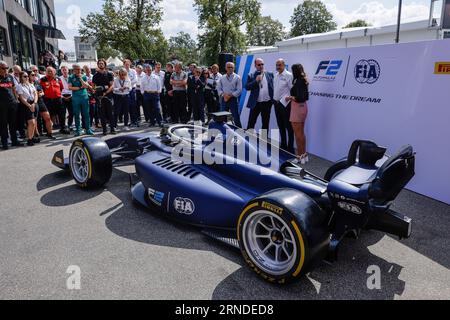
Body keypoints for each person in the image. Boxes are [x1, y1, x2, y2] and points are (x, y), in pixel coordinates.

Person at [287, 64, 309, 164]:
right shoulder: (303, 80)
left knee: (298, 134)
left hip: (297, 108)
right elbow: (305, 97)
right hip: (303, 108)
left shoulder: (299, 81)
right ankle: (304, 155)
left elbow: (300, 98)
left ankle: (299, 157)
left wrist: (290, 97)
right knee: (301, 133)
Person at [245, 58, 274, 131]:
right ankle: (248, 139)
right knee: (251, 122)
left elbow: (273, 87)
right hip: (256, 103)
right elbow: (247, 87)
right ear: (255, 65)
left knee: (265, 123)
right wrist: (256, 81)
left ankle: (263, 141)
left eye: (262, 64)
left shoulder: (270, 74)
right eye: (259, 64)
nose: (261, 66)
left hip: (267, 103)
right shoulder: (251, 75)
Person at [0, 61, 23, 150]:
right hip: (2, 106)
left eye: (7, 68)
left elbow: (13, 88)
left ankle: (14, 140)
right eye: (3, 68)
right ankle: (4, 143)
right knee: (3, 125)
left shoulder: (10, 77)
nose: (5, 70)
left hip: (12, 104)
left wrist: (16, 99)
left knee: (13, 123)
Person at [273, 58, 294, 153]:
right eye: (277, 65)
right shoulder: (276, 75)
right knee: (280, 125)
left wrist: (287, 99)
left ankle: (290, 148)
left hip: (285, 104)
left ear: (284, 65)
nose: (278, 67)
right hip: (276, 103)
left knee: (288, 126)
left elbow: (292, 90)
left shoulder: (289, 75)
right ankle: (283, 145)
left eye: (280, 65)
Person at [40, 67, 69, 134]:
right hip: (48, 100)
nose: (49, 73)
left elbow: (61, 88)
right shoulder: (42, 80)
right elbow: (41, 89)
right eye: (48, 71)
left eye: (51, 71)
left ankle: (63, 128)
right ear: (46, 72)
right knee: (48, 115)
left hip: (58, 99)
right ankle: (47, 130)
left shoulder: (58, 79)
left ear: (54, 72)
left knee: (62, 114)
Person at [68, 64, 94, 136]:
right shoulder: (71, 77)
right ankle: (78, 130)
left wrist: (81, 79)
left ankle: (88, 129)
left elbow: (85, 86)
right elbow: (70, 87)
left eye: (80, 69)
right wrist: (79, 88)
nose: (79, 71)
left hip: (84, 97)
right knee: (77, 114)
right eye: (77, 69)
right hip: (76, 98)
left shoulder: (84, 76)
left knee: (86, 113)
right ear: (74, 70)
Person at [29, 71, 55, 139]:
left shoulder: (37, 82)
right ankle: (36, 135)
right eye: (32, 74)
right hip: (32, 102)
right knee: (35, 120)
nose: (34, 75)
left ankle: (50, 133)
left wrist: (41, 93)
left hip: (40, 101)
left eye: (35, 74)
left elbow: (42, 91)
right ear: (29, 76)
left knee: (47, 117)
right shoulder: (27, 83)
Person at [92, 59, 115, 135]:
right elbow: (93, 87)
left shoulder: (109, 74)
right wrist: (97, 89)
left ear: (105, 65)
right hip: (99, 98)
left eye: (102, 63)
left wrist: (106, 92)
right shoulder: (95, 76)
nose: (101, 64)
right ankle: (104, 130)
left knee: (110, 113)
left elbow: (112, 86)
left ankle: (112, 129)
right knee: (102, 115)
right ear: (98, 65)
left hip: (108, 96)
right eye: (99, 63)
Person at [16, 71, 39, 146]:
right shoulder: (19, 86)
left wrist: (34, 103)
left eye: (27, 76)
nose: (27, 78)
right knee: (31, 122)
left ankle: (31, 137)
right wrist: (29, 105)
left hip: (34, 103)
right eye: (24, 76)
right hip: (26, 105)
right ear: (21, 78)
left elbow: (35, 94)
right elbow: (21, 98)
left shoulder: (31, 85)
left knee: (34, 121)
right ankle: (29, 139)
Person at [217, 62, 242, 127]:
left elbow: (239, 89)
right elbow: (219, 88)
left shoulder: (237, 77)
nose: (230, 68)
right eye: (228, 67)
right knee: (222, 117)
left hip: (233, 99)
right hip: (224, 99)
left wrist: (230, 95)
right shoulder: (222, 77)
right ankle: (224, 133)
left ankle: (240, 133)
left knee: (236, 117)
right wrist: (223, 95)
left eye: (232, 67)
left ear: (234, 68)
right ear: (225, 68)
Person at [123, 59, 139, 127]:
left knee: (133, 106)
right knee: (127, 106)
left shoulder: (133, 71)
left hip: (132, 90)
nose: (127, 65)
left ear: (130, 64)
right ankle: (129, 121)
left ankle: (135, 121)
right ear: (124, 64)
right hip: (125, 91)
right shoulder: (122, 71)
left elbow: (135, 80)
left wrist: (128, 83)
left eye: (128, 64)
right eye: (126, 64)